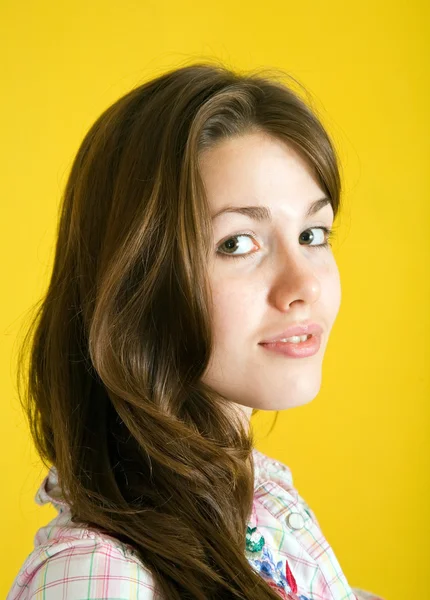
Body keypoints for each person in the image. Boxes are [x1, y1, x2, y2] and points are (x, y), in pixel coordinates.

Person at [7, 62, 385, 600]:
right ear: (137, 282)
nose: (304, 285)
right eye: (237, 243)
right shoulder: (101, 580)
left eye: (312, 233)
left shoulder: (264, 504)